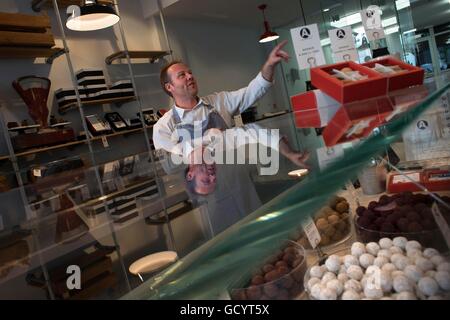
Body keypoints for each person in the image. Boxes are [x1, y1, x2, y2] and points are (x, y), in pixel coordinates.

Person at [153, 40, 309, 236]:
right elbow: (168, 164)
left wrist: (269, 64)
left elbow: (253, 91)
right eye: (182, 75)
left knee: (261, 238)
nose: (190, 76)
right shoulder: (163, 127)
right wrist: (202, 144)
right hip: (208, 201)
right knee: (231, 248)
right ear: (169, 87)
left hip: (242, 186)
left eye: (190, 72)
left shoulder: (219, 101)